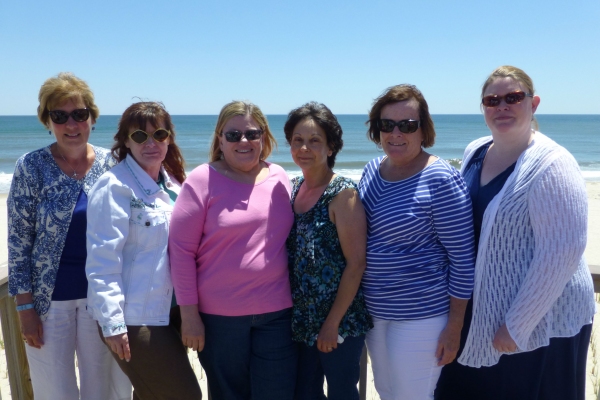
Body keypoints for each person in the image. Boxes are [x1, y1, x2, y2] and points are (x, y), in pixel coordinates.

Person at [434, 66, 596, 400]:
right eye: (492, 100)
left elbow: (562, 252)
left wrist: (517, 325)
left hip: (538, 321)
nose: (502, 106)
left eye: (513, 98)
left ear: (533, 103)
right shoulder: (475, 150)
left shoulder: (552, 164)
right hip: (481, 312)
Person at [7, 72, 131, 400]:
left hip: (101, 301)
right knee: (55, 391)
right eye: (59, 116)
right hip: (50, 305)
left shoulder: (114, 163)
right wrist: (25, 308)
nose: (71, 124)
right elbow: (19, 242)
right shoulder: (30, 167)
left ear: (92, 117)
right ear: (48, 121)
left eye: (79, 114)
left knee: (103, 389)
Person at [169, 100, 297, 400]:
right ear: (219, 140)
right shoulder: (202, 179)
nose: (244, 141)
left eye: (252, 133)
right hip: (219, 320)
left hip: (277, 314)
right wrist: (189, 316)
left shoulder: (280, 177)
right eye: (233, 135)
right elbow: (181, 251)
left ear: (263, 138)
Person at [358, 84, 476, 400]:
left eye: (407, 125)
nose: (396, 133)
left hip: (422, 314)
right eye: (387, 125)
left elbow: (463, 261)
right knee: (386, 391)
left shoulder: (439, 178)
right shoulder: (371, 170)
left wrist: (454, 327)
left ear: (423, 129)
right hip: (374, 310)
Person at [85, 102, 202, 399]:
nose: (151, 143)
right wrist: (112, 324)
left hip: (172, 309)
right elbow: (102, 261)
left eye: (158, 134)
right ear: (126, 141)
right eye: (140, 136)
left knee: (151, 393)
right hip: (135, 317)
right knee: (184, 394)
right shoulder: (113, 186)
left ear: (169, 138)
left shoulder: (173, 182)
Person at [283, 102, 372, 400]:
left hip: (340, 320)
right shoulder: (293, 188)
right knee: (305, 393)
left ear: (331, 147)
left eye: (314, 140)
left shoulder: (342, 193)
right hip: (301, 320)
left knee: (342, 393)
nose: (304, 148)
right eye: (298, 140)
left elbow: (356, 263)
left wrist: (331, 324)